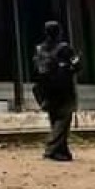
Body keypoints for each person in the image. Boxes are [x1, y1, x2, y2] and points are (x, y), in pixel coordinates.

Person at [33, 21, 81, 162]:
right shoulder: (64, 48)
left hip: (46, 89)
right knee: (63, 120)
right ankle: (51, 149)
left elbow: (35, 69)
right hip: (64, 89)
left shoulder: (39, 49)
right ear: (59, 32)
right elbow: (77, 66)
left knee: (54, 119)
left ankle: (62, 152)